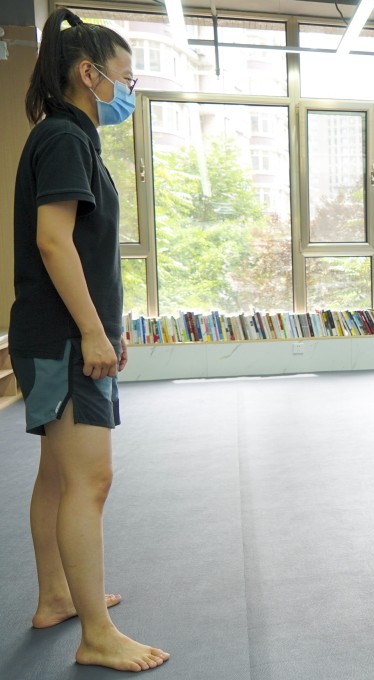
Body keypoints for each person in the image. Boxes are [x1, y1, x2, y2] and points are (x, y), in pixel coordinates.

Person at [10, 8, 169, 671]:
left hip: (59, 337)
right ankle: (97, 637)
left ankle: (55, 597)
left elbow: (78, 248)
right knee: (91, 479)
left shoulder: (64, 135)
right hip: (62, 341)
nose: (130, 90)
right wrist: (92, 333)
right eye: (127, 77)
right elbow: (53, 241)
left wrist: (107, 326)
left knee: (57, 475)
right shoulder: (68, 139)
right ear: (89, 74)